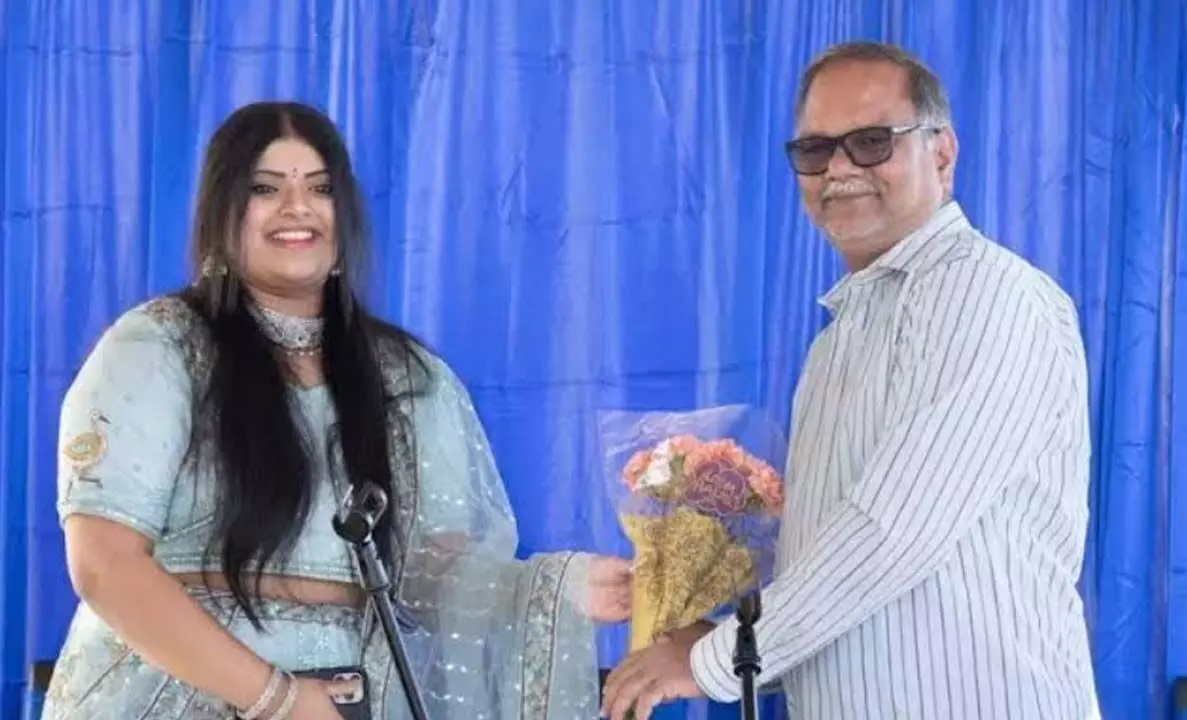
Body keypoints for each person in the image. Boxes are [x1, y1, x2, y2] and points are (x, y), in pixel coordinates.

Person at [42, 101, 631, 719]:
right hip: (177, 696)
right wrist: (277, 699)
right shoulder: (158, 347)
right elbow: (105, 566)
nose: (297, 207)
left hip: (350, 702)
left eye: (320, 189)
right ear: (220, 212)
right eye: (265, 188)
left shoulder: (408, 377)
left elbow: (433, 580)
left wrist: (557, 589)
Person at [602, 41, 1099, 719]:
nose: (838, 168)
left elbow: (897, 530)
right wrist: (713, 625)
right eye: (815, 151)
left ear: (942, 153)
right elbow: (843, 587)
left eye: (871, 142)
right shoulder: (835, 343)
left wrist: (720, 656)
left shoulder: (989, 294)